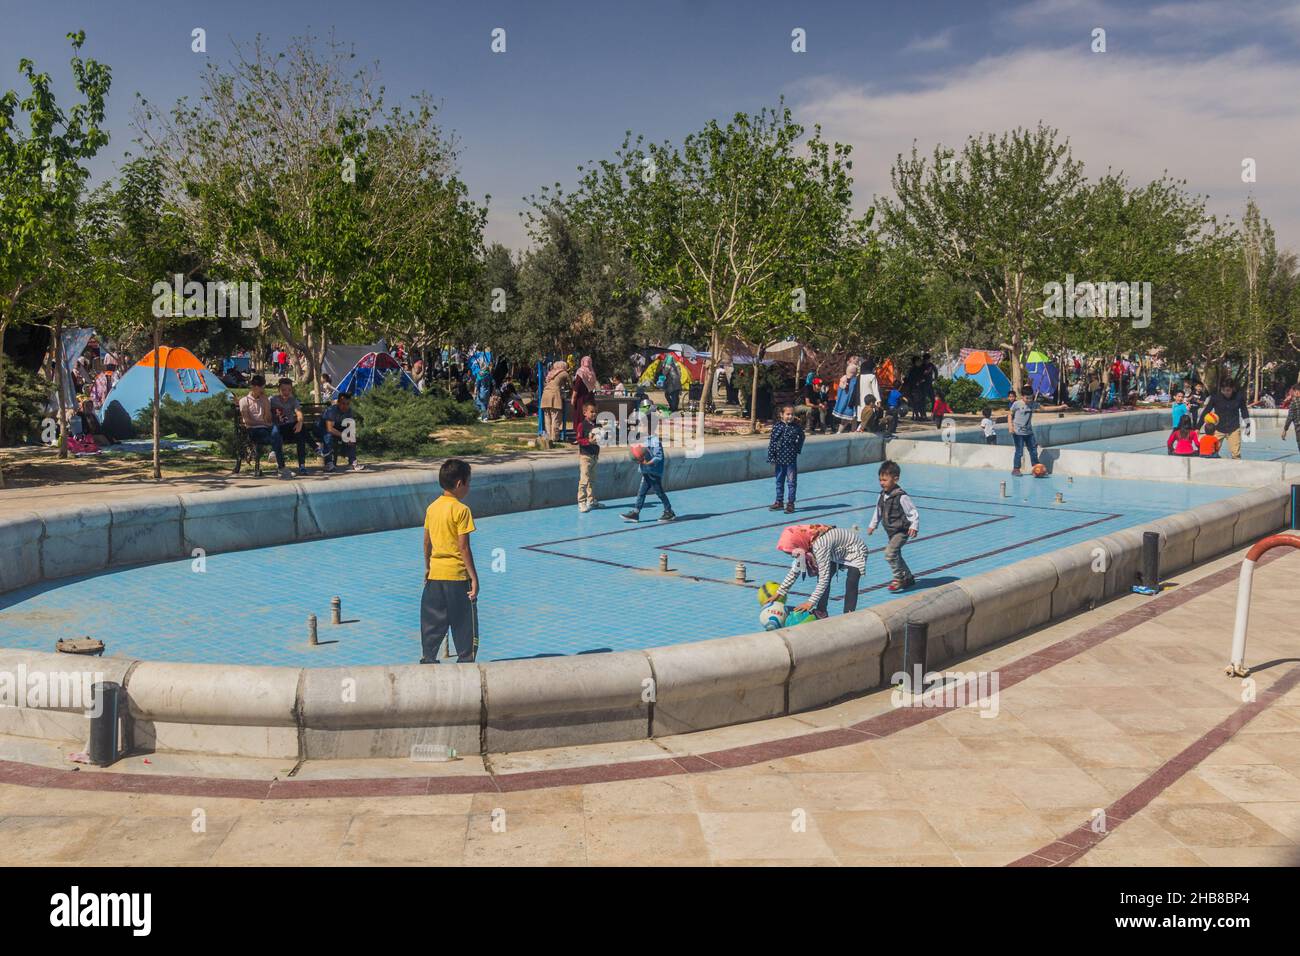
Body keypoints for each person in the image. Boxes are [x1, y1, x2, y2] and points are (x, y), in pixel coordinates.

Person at [420, 458, 480, 664]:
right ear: (459, 484)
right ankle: (465, 666)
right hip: (457, 578)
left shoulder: (432, 508)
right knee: (465, 627)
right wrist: (473, 577)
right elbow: (463, 547)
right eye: (468, 482)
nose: (468, 487)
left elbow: (427, 541)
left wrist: (428, 566)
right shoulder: (462, 510)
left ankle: (428, 662)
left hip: (435, 577)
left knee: (432, 626)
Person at [774, 522, 868, 616]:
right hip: (836, 552)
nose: (792, 555)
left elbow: (824, 578)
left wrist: (810, 603)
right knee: (822, 576)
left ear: (798, 543)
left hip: (855, 550)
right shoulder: (806, 541)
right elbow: (796, 569)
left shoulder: (820, 545)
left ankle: (849, 615)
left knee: (851, 582)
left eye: (791, 552)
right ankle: (822, 611)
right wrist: (780, 592)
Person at [867, 459, 920, 593]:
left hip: (901, 531)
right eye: (880, 480)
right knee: (897, 555)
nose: (881, 483)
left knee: (890, 554)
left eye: (884, 480)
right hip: (891, 531)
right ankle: (908, 577)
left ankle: (898, 579)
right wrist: (873, 525)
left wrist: (914, 525)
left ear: (895, 479)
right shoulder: (882, 495)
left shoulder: (901, 496)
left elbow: (913, 512)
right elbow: (878, 511)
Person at [239, 374, 291, 479]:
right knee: (276, 438)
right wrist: (261, 423)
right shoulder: (244, 401)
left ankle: (275, 456)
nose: (263, 390)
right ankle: (281, 466)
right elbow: (247, 422)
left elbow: (268, 419)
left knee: (276, 432)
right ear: (255, 387)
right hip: (254, 430)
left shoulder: (264, 399)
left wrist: (266, 404)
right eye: (262, 387)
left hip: (266, 427)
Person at [1006, 387, 1067, 477]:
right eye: (1027, 398)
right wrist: (1010, 426)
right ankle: (1016, 469)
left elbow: (1045, 409)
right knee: (1019, 452)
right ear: (1022, 396)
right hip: (1018, 433)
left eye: (1031, 397)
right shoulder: (1017, 404)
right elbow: (1010, 415)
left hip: (1029, 433)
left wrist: (1060, 407)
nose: (1029, 400)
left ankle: (1036, 467)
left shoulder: (1033, 404)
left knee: (1033, 450)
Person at [622, 432, 676, 522]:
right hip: (646, 471)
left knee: (659, 492)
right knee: (641, 492)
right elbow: (638, 452)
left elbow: (659, 457)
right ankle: (636, 513)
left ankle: (669, 512)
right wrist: (638, 459)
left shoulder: (654, 440)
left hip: (654, 471)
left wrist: (648, 463)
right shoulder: (641, 438)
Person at [1197, 378, 1250, 460]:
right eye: (1223, 390)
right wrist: (1198, 427)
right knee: (1209, 452)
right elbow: (1206, 411)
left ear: (1233, 388)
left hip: (1233, 429)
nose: (1226, 392)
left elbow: (1244, 410)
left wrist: (1248, 425)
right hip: (1218, 428)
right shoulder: (1215, 397)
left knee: (1236, 454)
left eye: (1228, 390)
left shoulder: (1239, 397)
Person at [767, 404, 805, 514]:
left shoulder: (796, 427)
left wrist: (797, 449)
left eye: (792, 414)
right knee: (779, 481)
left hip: (791, 460)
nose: (790, 416)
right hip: (779, 460)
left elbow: (802, 437)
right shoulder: (777, 426)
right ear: (781, 415)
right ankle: (779, 502)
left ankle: (790, 503)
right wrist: (771, 457)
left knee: (791, 482)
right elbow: (772, 443)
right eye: (788, 414)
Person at [270, 377, 309, 474]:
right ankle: (280, 464)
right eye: (283, 390)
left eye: (289, 390)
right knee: (276, 431)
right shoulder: (272, 400)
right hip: (278, 431)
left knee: (300, 433)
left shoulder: (293, 400)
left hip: (290, 430)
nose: (286, 392)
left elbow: (299, 413)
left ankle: (302, 466)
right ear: (279, 390)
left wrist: (300, 422)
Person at [320, 391, 365, 473]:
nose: (345, 406)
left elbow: (349, 426)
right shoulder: (332, 410)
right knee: (328, 436)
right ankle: (329, 463)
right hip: (322, 428)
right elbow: (329, 429)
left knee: (351, 436)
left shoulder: (349, 411)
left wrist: (350, 436)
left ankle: (353, 462)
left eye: (348, 404)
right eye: (343, 403)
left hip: (336, 429)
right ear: (338, 402)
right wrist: (344, 436)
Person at [575, 401, 602, 512]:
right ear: (585, 412)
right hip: (585, 456)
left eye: (595, 412)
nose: (594, 414)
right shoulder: (582, 425)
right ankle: (581, 501)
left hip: (595, 456)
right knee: (584, 479)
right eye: (592, 412)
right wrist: (588, 441)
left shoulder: (597, 425)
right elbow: (579, 439)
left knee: (592, 480)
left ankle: (591, 500)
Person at [540, 360, 570, 440]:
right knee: (556, 417)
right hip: (555, 396)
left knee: (547, 417)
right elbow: (570, 385)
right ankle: (555, 437)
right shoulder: (564, 373)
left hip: (545, 396)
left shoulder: (550, 373)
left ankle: (549, 437)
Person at [831, 356, 862, 432]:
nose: (858, 361)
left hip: (849, 389)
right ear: (852, 360)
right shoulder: (853, 367)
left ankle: (852, 431)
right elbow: (855, 375)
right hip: (850, 390)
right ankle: (840, 432)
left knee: (853, 416)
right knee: (848, 414)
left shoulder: (850, 368)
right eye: (857, 360)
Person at [573, 355, 599, 426]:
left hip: (581, 398)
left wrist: (573, 398)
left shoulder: (580, 372)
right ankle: (590, 429)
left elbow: (577, 386)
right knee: (590, 413)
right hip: (590, 397)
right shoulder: (592, 373)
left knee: (581, 413)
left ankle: (580, 431)